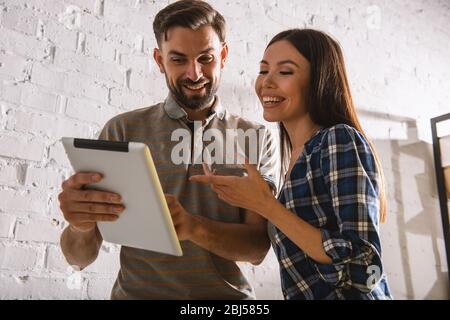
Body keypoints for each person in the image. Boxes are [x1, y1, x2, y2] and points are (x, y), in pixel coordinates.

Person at [58, 0, 277, 299]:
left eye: (206, 58)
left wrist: (193, 227)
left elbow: (257, 249)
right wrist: (79, 226)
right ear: (159, 60)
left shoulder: (255, 136)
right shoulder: (122, 131)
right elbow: (78, 258)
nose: (194, 73)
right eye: (178, 60)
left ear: (223, 55)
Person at [191, 29, 393, 299]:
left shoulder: (338, 139)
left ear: (318, 80)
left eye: (285, 72)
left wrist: (266, 205)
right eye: (263, 71)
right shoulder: (296, 159)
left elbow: (363, 264)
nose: (266, 83)